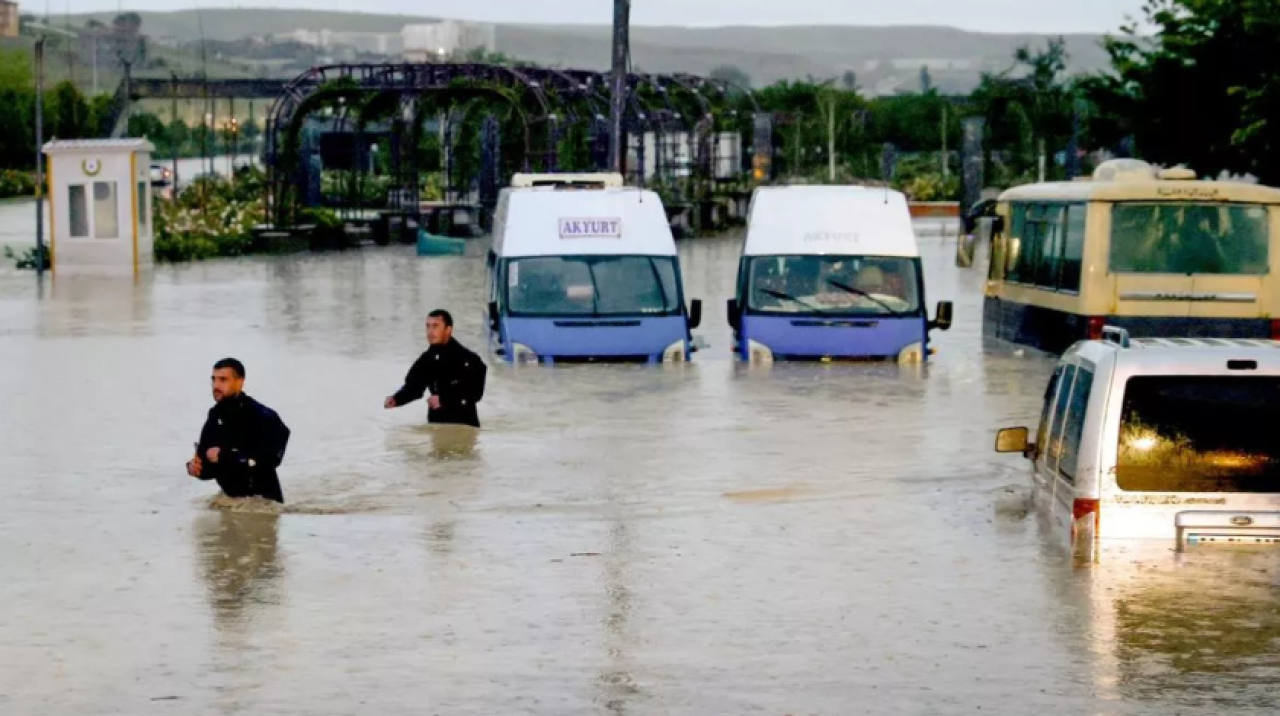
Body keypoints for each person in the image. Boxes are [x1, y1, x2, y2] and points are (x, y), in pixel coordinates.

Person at [187, 358, 292, 504]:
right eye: (213, 379)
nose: (216, 385)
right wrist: (196, 469)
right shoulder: (215, 415)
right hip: (229, 502)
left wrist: (225, 456)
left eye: (223, 379)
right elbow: (209, 466)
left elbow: (272, 459)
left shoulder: (263, 416)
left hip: (264, 506)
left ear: (240, 382)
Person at [385, 309, 488, 428]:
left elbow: (475, 393)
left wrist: (444, 400)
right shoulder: (426, 359)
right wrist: (397, 399)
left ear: (448, 330)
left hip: (464, 426)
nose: (430, 331)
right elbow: (414, 387)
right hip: (437, 426)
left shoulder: (469, 359)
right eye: (428, 326)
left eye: (435, 326)